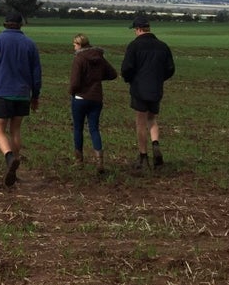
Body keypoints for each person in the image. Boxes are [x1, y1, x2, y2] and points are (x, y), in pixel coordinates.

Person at [0, 10, 41, 187]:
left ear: (5, 24)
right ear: (21, 25)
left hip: (3, 93)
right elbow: (36, 73)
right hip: (22, 94)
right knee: (15, 130)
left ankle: (9, 158)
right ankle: (14, 170)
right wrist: (35, 95)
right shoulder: (30, 44)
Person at [121, 14, 175, 170]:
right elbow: (170, 69)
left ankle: (143, 157)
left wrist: (130, 79)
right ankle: (156, 145)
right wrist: (159, 79)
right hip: (156, 89)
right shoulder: (163, 46)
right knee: (152, 119)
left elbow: (126, 69)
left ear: (138, 29)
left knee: (140, 122)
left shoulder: (134, 46)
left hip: (139, 89)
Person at [69, 34, 118, 173]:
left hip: (80, 98)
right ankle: (99, 161)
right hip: (96, 98)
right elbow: (113, 74)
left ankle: (79, 161)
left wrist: (72, 92)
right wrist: (97, 78)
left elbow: (75, 82)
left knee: (78, 129)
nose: (73, 47)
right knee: (94, 129)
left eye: (74, 44)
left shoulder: (79, 59)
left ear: (79, 45)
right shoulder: (99, 57)